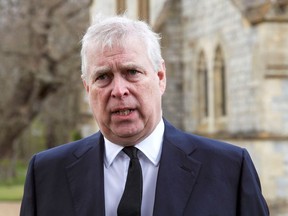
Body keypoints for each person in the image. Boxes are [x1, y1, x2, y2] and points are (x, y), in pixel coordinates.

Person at [20, 15, 269, 216]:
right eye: (103, 77)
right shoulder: (46, 174)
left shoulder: (230, 170)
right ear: (87, 88)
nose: (119, 90)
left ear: (160, 77)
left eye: (132, 72)